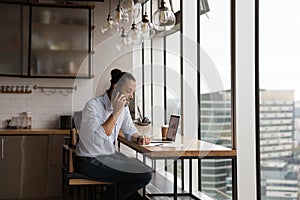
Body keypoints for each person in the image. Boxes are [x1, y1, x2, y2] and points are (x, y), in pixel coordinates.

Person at [75, 69, 152, 200]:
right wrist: (115, 113)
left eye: (133, 92)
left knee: (141, 170)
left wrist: (139, 137)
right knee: (143, 174)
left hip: (108, 157)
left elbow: (130, 130)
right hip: (89, 161)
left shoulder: (124, 108)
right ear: (116, 88)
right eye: (128, 91)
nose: (132, 97)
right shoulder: (93, 106)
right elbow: (98, 140)